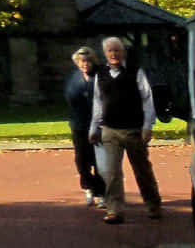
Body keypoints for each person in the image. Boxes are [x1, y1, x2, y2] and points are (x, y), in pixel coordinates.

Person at [89, 35, 161, 224]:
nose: (114, 54)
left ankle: (153, 204)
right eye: (110, 51)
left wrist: (147, 126)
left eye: (117, 50)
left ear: (123, 52)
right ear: (105, 54)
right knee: (111, 173)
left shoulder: (135, 72)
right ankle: (114, 210)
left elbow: (147, 99)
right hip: (109, 130)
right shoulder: (100, 74)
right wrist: (93, 127)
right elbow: (97, 102)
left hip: (133, 130)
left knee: (142, 170)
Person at [65, 47, 107, 206]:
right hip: (79, 125)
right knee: (82, 160)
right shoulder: (72, 78)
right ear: (77, 63)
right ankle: (88, 187)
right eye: (82, 61)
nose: (85, 64)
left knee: (99, 161)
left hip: (99, 125)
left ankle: (101, 192)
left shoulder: (101, 76)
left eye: (88, 61)